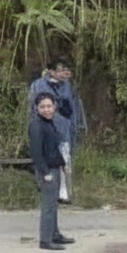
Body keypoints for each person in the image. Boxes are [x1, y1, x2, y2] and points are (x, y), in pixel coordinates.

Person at [28, 56, 84, 204]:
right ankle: (45, 186)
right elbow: (33, 107)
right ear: (51, 71)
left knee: (65, 159)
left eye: (65, 70)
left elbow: (73, 109)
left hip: (64, 129)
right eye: (60, 70)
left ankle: (64, 192)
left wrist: (74, 126)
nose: (63, 73)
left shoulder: (67, 86)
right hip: (46, 130)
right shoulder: (38, 85)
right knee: (45, 158)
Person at [29, 92, 74, 251]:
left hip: (55, 167)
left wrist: (63, 164)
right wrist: (44, 172)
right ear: (36, 108)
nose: (46, 110)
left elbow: (54, 148)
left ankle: (55, 234)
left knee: (54, 204)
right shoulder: (36, 125)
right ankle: (45, 240)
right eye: (42, 107)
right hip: (46, 170)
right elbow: (36, 152)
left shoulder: (50, 123)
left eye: (49, 106)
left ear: (54, 107)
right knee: (48, 206)